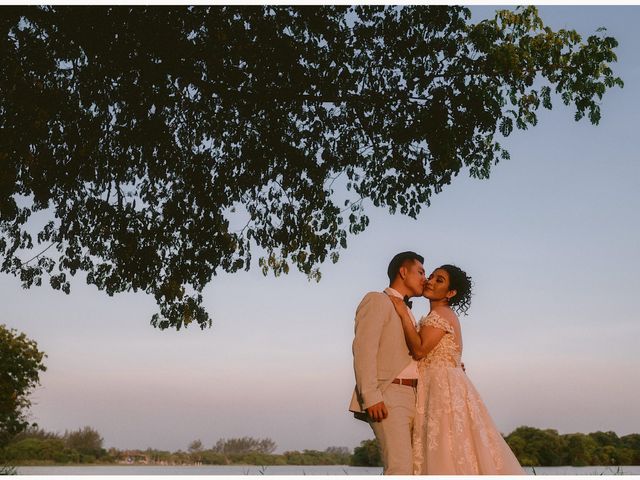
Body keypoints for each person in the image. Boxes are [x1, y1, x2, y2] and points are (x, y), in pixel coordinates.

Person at [388, 264, 525, 475]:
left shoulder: (441, 314)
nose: (430, 281)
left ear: (450, 293)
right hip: (439, 385)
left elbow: (420, 349)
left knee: (444, 447)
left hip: (443, 391)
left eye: (439, 280)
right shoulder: (439, 315)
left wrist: (402, 314)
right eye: (431, 276)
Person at [349, 251, 426, 474]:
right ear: (403, 272)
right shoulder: (377, 300)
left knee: (418, 468)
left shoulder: (408, 311)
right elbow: (364, 349)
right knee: (400, 468)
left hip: (417, 397)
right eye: (420, 272)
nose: (425, 278)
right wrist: (371, 396)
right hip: (390, 393)